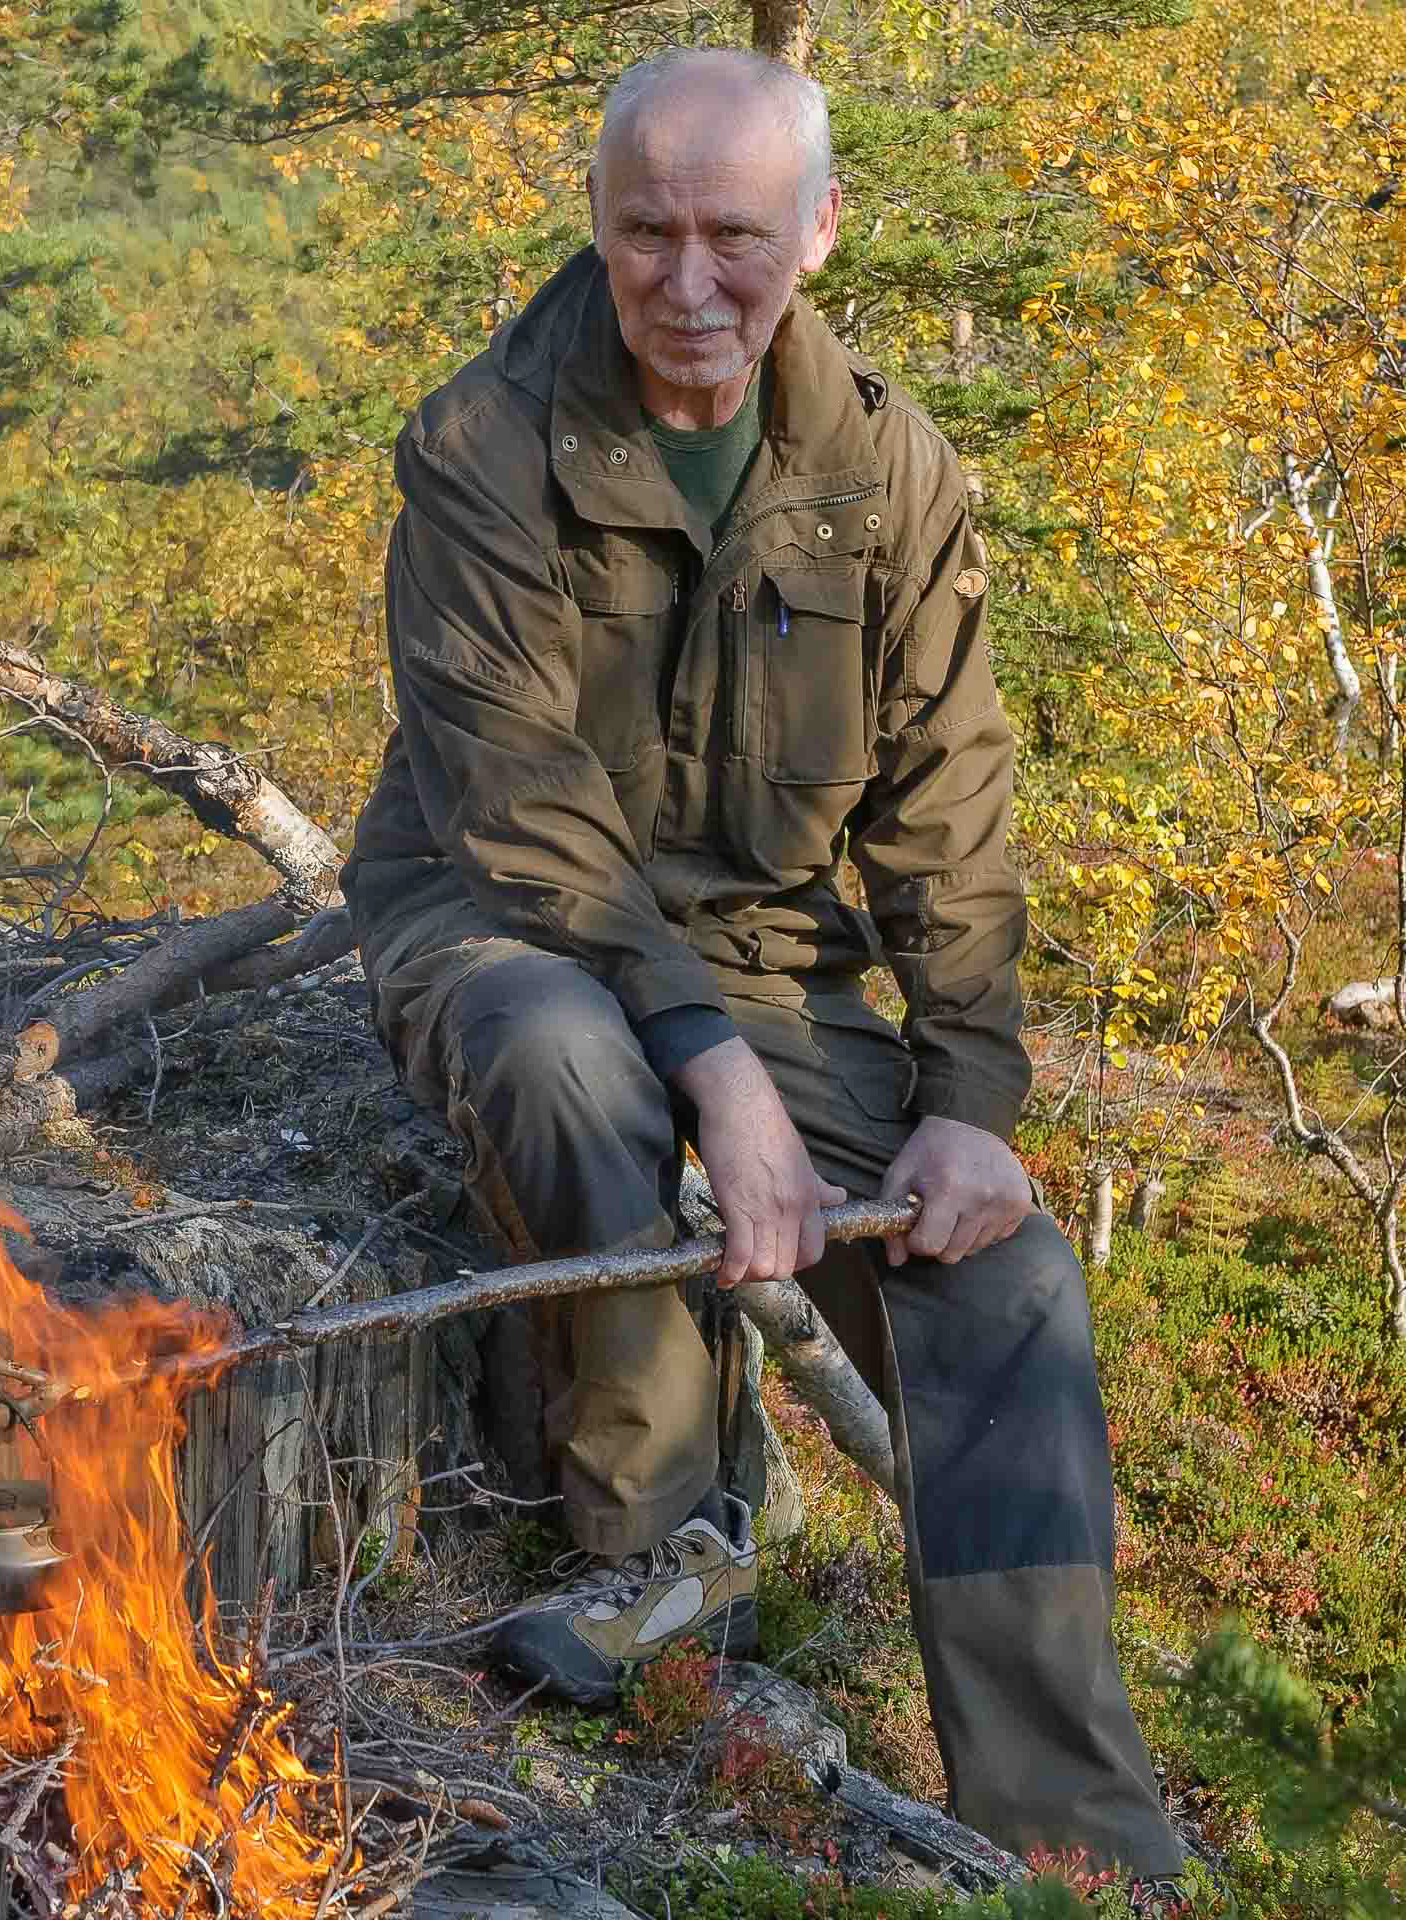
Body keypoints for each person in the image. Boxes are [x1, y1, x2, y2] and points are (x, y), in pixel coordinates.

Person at [338, 46, 1185, 1879]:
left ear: (818, 230)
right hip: (499, 916)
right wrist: (716, 1075)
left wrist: (968, 1099)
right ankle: (665, 1591)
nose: (688, 280)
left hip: (770, 955)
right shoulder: (481, 444)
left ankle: (1074, 1834)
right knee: (567, 1059)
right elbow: (525, 810)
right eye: (647, 230)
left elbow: (949, 803)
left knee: (1011, 1281)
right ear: (598, 222)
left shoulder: (888, 466)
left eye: (733, 234)